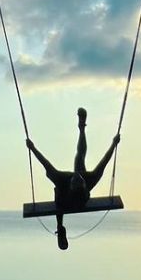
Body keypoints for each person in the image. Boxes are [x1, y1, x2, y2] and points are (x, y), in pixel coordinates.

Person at [27, 107, 121, 251]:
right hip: (78, 197)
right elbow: (104, 163)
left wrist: (32, 148)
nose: (77, 176)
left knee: (58, 202)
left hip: (64, 199)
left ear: (72, 185)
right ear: (83, 185)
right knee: (80, 157)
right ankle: (82, 129)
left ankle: (60, 227)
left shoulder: (62, 180)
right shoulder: (88, 180)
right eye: (79, 178)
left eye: (76, 178)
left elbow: (46, 164)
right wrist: (114, 144)